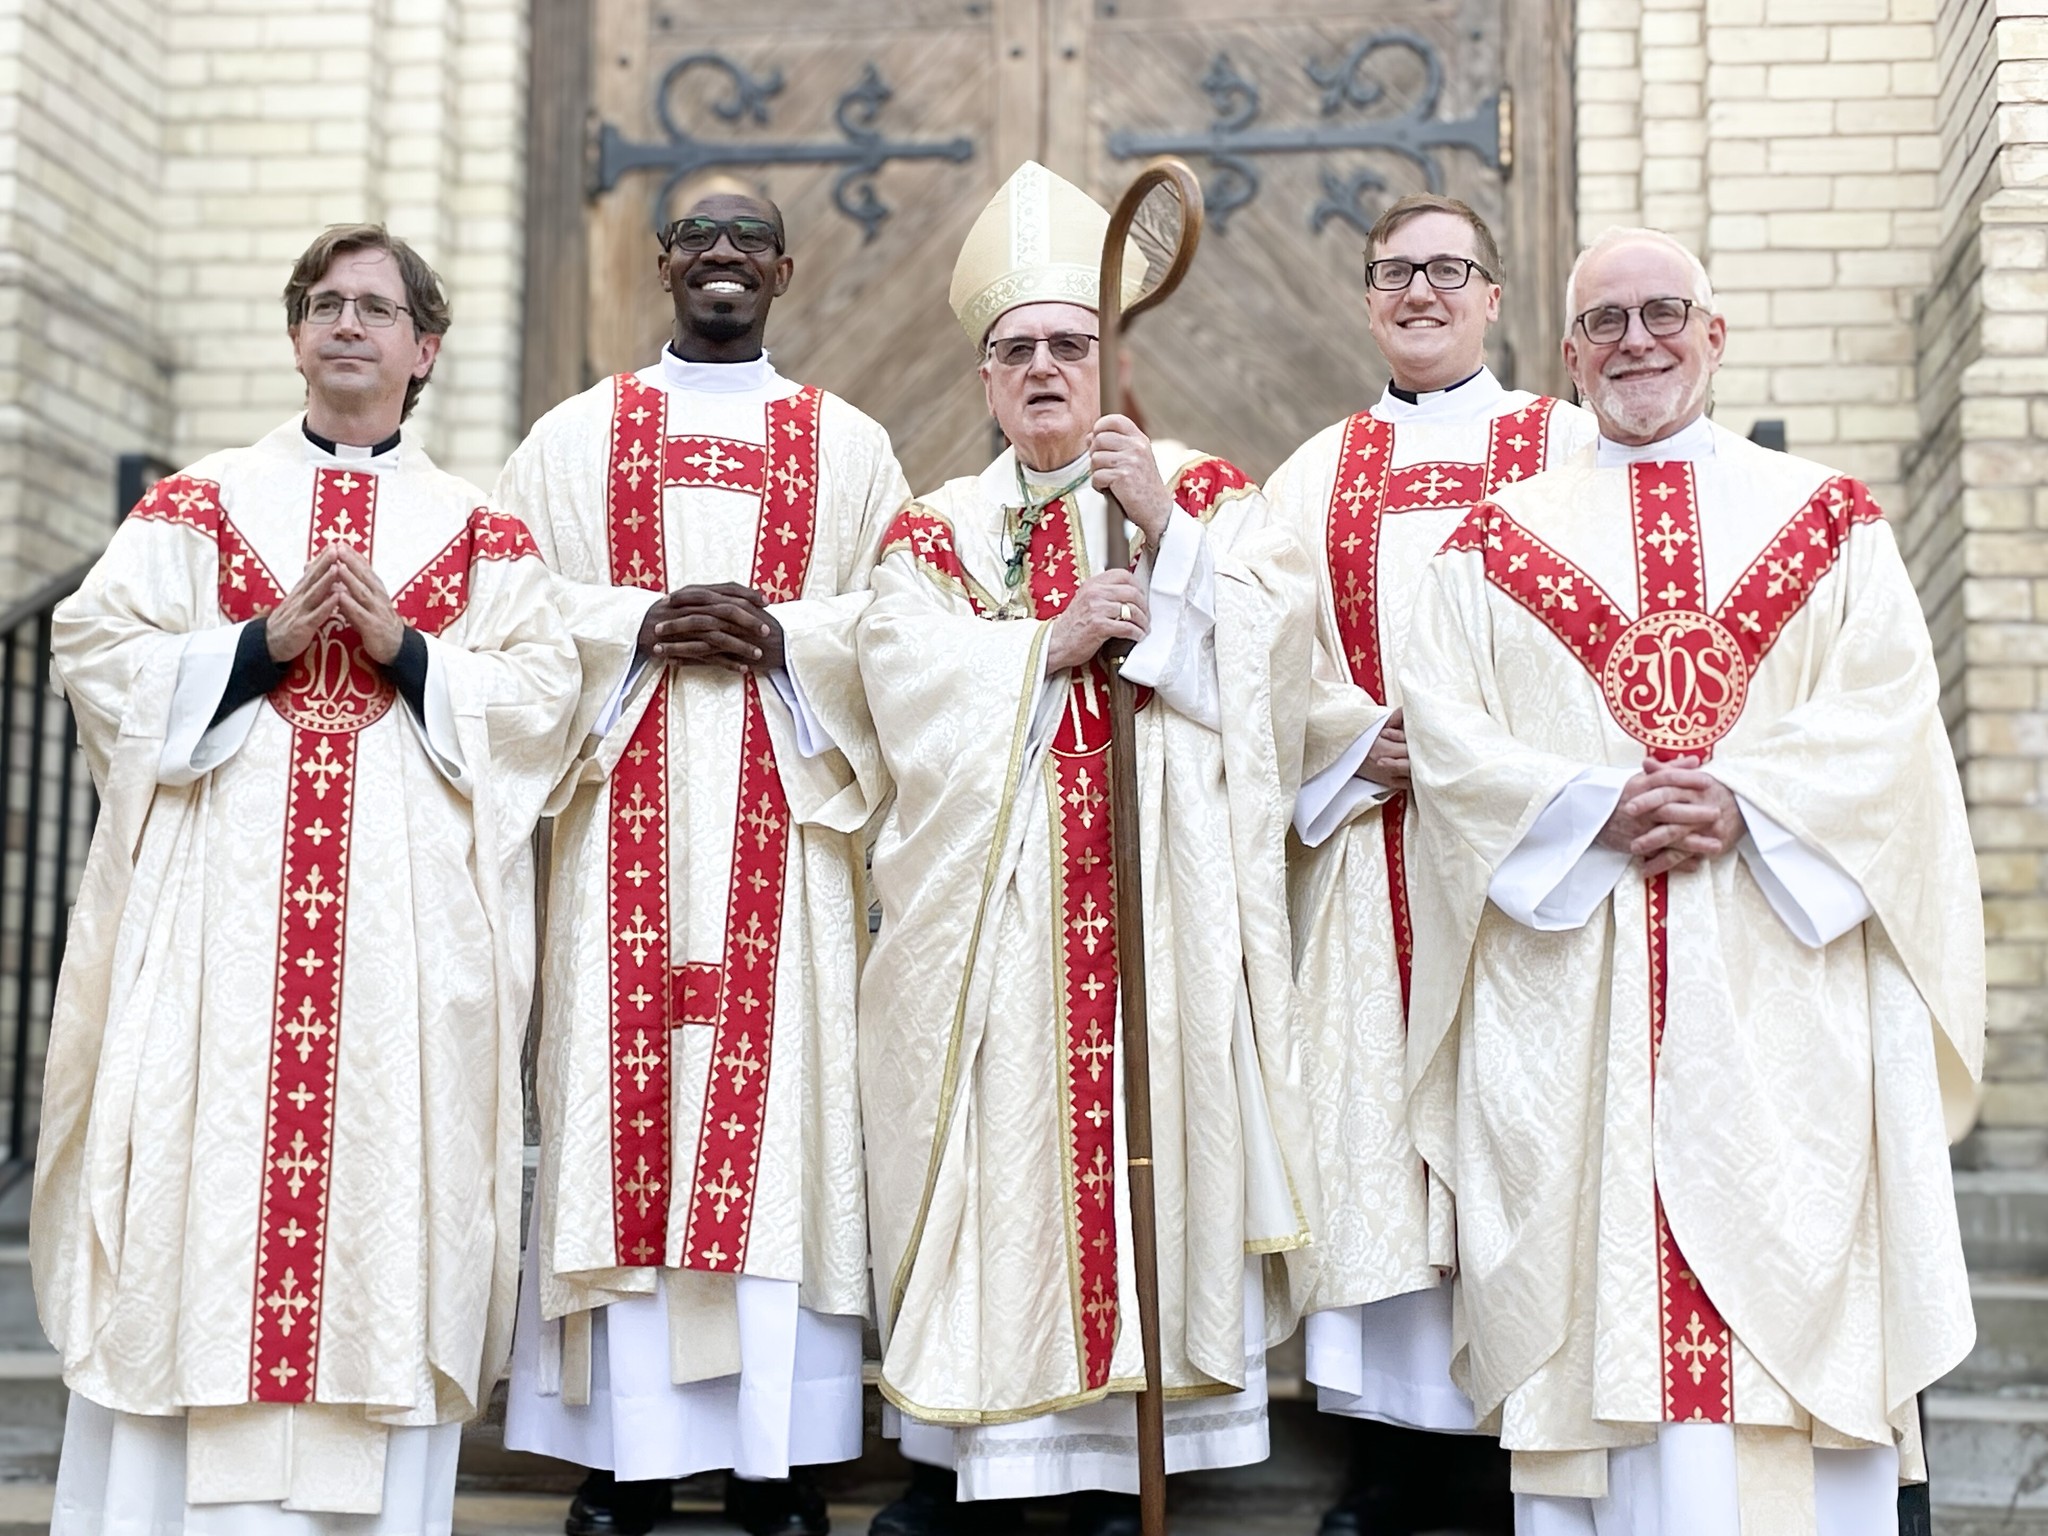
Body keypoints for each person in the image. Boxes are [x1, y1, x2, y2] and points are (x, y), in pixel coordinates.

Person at [1399, 226, 1983, 1534]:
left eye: (1665, 312)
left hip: (1781, 982)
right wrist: (1594, 806)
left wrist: (1748, 799)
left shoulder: (1828, 522)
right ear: (1564, 356)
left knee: (1790, 1286)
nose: (1637, 342)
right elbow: (1447, 741)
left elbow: (1890, 726)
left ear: (1715, 337)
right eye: (1604, 322)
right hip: (1581, 996)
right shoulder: (1486, 548)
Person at [32, 223, 578, 1532]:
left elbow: (546, 704)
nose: (347, 326)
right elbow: (97, 649)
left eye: (376, 310)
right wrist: (260, 642)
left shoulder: (483, 533)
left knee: (389, 1193)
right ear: (295, 336)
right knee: (186, 1167)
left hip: (403, 947)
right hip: (218, 928)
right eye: (325, 305)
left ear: (424, 348)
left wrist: (405, 648)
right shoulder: (199, 502)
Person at [855, 160, 1334, 1536]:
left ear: (1106, 359)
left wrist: (1172, 531)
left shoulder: (1196, 487)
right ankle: (997, 1473)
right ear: (988, 379)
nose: (1049, 369)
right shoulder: (937, 527)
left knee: (1156, 1142)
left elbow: (1275, 652)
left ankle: (1139, 1469)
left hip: (1161, 906)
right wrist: (1044, 651)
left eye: (1073, 344)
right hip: (1002, 916)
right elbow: (900, 678)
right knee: (1009, 1157)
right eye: (1021, 352)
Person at [495, 182, 909, 1536]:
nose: (721, 255)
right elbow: (511, 614)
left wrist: (792, 639)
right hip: (620, 823)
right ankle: (627, 1469)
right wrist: (638, 624)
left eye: (747, 239)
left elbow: (899, 629)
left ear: (785, 269)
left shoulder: (849, 448)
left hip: (786, 843)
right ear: (663, 263)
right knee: (626, 1129)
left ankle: (771, 1471)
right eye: (697, 237)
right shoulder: (570, 440)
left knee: (777, 1138)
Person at [1266, 193, 1596, 1536]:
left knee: (1512, 1133)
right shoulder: (1315, 469)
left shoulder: (1568, 446)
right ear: (1365, 299)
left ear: (1495, 295)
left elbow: (1608, 629)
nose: (1420, 292)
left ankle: (1521, 1431)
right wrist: (1350, 749)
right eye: (1394, 273)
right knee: (1382, 1140)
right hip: (1374, 852)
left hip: (1522, 867)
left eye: (1446, 271)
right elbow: (1266, 651)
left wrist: (1480, 759)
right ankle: (1393, 1455)